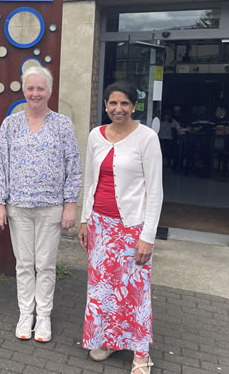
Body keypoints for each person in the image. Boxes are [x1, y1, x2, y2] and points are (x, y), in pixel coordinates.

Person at [0, 66, 82, 343]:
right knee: (24, 263)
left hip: (51, 206)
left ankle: (43, 316)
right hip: (18, 205)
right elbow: (0, 165)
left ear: (50, 92)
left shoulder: (63, 124)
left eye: (40, 88)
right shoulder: (11, 124)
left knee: (45, 263)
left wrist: (70, 204)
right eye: (31, 88)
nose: (35, 93)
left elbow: (74, 166)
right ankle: (25, 313)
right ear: (23, 90)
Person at [78, 81, 163, 374]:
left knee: (134, 292)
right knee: (102, 289)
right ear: (105, 105)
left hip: (131, 229)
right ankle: (108, 339)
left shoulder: (147, 138)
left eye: (124, 103)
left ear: (134, 106)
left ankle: (140, 353)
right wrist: (84, 219)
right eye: (112, 103)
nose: (118, 109)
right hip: (100, 226)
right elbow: (90, 180)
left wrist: (147, 237)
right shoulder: (95, 136)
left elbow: (155, 191)